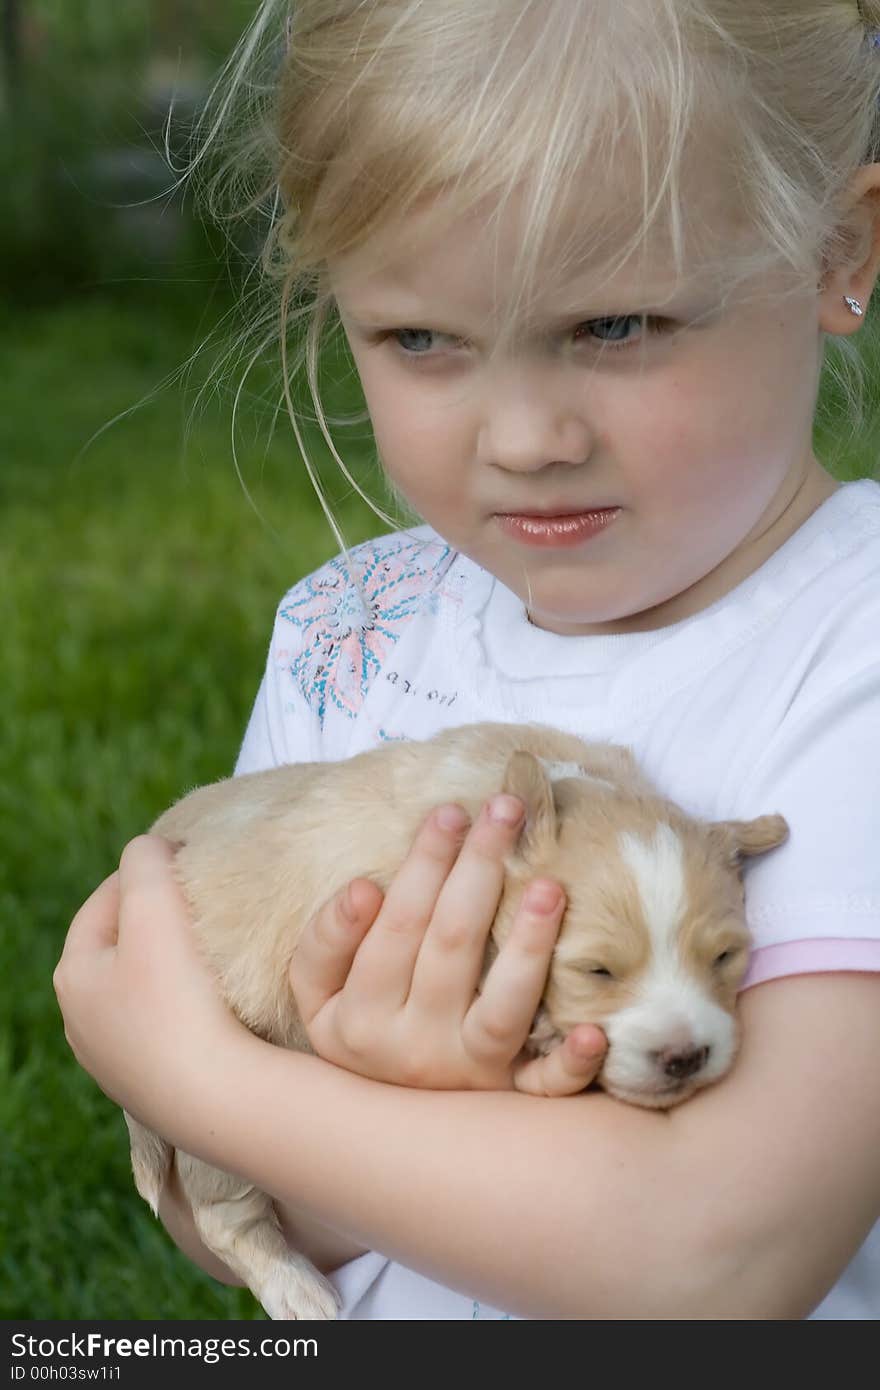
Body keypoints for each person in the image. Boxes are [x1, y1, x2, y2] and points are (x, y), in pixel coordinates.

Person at [54, 0, 880, 1319]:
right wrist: (281, 1119)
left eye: (615, 326)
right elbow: (245, 1224)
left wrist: (205, 1076)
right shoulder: (348, 632)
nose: (526, 436)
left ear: (842, 251)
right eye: (423, 340)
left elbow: (721, 1258)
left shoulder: (856, 650)